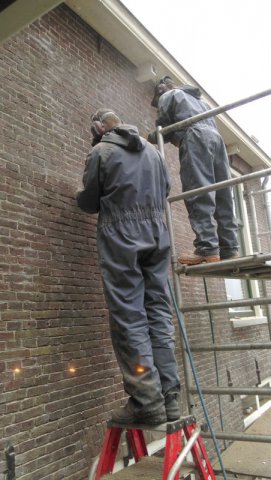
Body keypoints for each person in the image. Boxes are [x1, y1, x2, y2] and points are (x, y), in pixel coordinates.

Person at [77, 108, 180, 425]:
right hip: (156, 233)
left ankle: (147, 402)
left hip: (122, 234)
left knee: (128, 314)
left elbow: (90, 201)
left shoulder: (101, 151)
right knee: (158, 310)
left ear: (98, 127)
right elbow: (165, 192)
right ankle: (170, 399)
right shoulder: (154, 152)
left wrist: (81, 196)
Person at [148, 76, 239, 265]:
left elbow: (164, 128)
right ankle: (230, 249)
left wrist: (151, 137)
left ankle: (207, 249)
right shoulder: (200, 102)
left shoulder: (169, 95)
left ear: (161, 90)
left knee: (198, 192)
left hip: (195, 137)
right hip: (216, 140)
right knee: (222, 194)